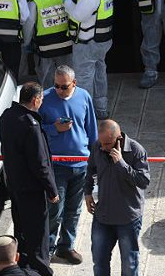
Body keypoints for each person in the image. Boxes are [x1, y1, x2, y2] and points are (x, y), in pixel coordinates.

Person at [38, 65, 97, 264]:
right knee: (55, 209)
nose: (59, 90)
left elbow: (91, 128)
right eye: (56, 86)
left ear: (74, 83)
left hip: (80, 164)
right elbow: (36, 132)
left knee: (74, 210)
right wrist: (54, 129)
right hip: (56, 166)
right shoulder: (44, 99)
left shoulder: (84, 97)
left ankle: (66, 247)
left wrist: (95, 159)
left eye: (64, 87)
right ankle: (48, 248)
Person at [0, 82, 59, 276]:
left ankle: (22, 264)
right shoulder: (30, 125)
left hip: (15, 185)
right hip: (31, 189)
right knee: (38, 234)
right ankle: (40, 270)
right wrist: (52, 190)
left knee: (21, 229)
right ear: (35, 100)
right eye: (41, 99)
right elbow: (40, 164)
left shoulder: (7, 116)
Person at [84, 119, 150, 276]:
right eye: (101, 143)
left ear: (118, 139)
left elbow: (144, 181)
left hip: (127, 218)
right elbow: (90, 170)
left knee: (129, 265)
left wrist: (121, 164)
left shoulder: (136, 151)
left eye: (107, 144)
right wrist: (87, 192)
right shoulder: (98, 146)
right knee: (99, 263)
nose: (103, 147)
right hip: (103, 217)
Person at [63, 0, 114, 120]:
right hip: (103, 39)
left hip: (88, 41)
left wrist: (68, 2)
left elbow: (78, 15)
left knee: (84, 77)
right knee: (100, 72)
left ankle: (85, 114)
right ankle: (101, 109)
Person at [22, 0, 72, 87]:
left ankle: (50, 103)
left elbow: (29, 25)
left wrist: (26, 42)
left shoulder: (35, 0)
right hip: (66, 44)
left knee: (47, 81)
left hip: (45, 48)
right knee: (67, 79)